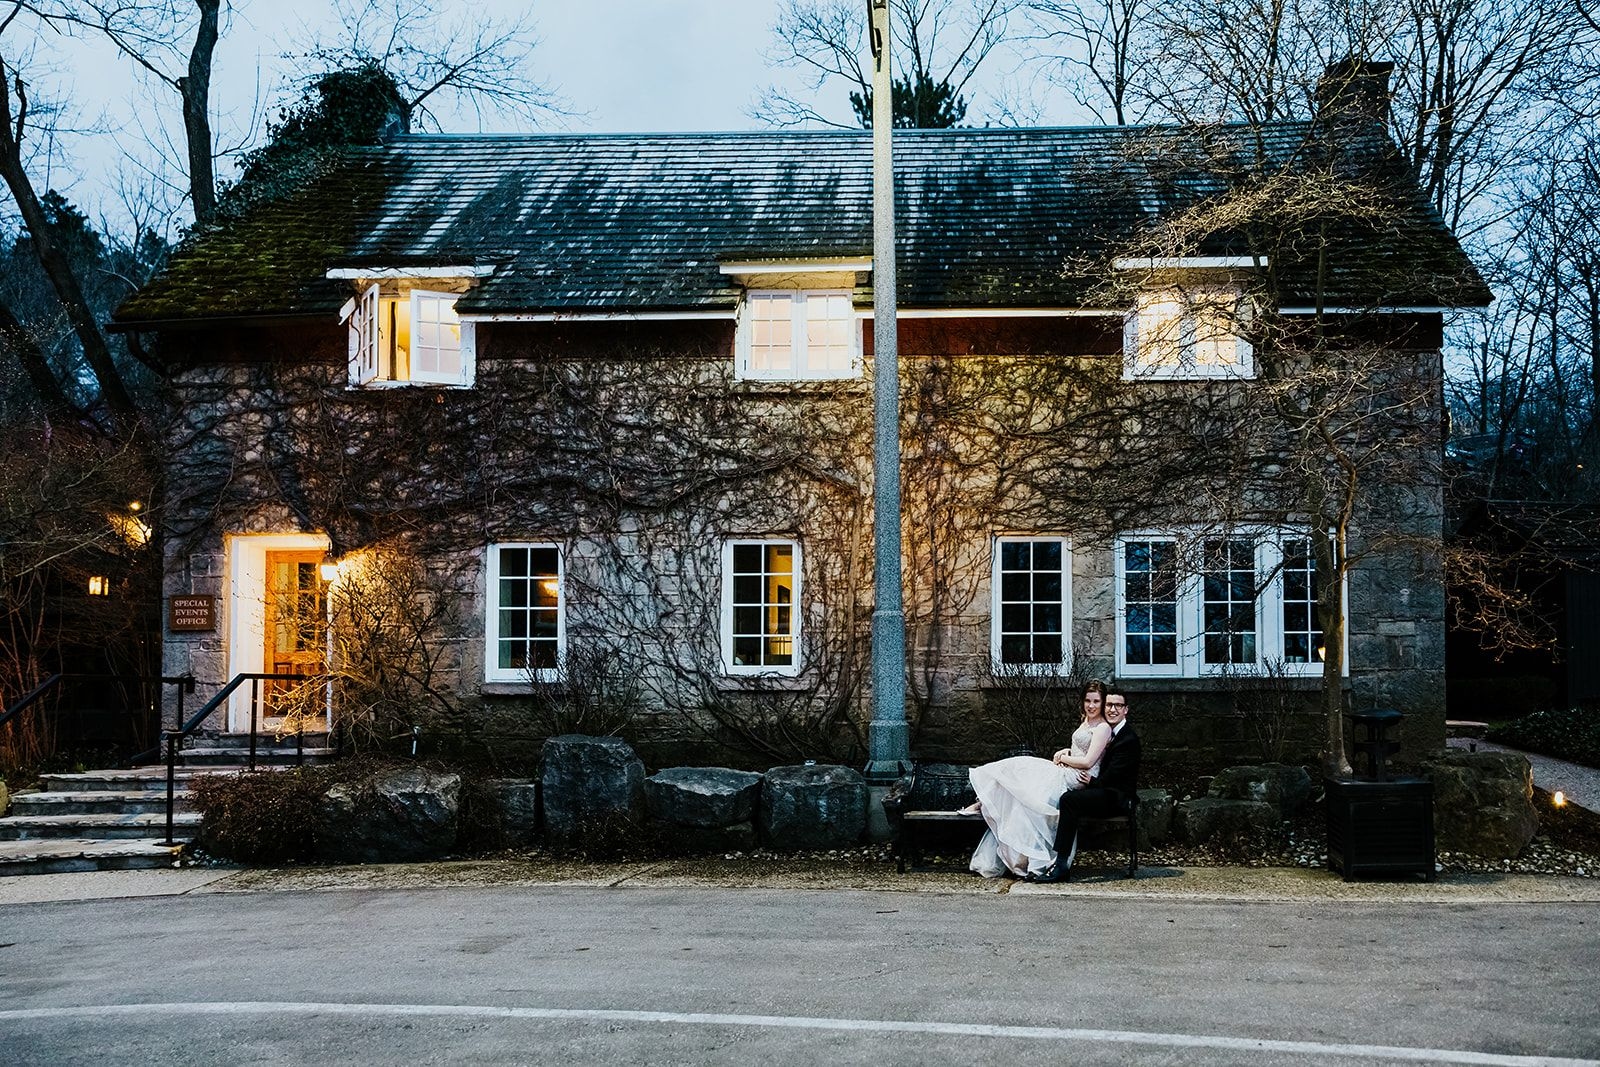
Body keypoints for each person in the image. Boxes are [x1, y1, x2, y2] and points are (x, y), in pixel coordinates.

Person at [960, 682, 1114, 879]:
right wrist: (1065, 752)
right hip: (1068, 770)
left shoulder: (1103, 728)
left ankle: (983, 803)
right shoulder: (1085, 721)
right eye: (1087, 701)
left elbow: (1087, 761)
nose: (1091, 706)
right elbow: (1079, 749)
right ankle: (984, 802)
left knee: (1024, 769)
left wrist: (1061, 759)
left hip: (1078, 777)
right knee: (1022, 785)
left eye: (1096, 702)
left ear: (1102, 703)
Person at [1029, 688, 1141, 883]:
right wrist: (1069, 755)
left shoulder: (1128, 739)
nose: (1112, 709)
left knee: (1069, 800)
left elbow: (1115, 777)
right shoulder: (1111, 731)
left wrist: (1092, 782)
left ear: (1126, 710)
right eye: (1109, 705)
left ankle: (1061, 865)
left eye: (1118, 705)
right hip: (1106, 791)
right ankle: (1043, 859)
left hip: (1118, 798)